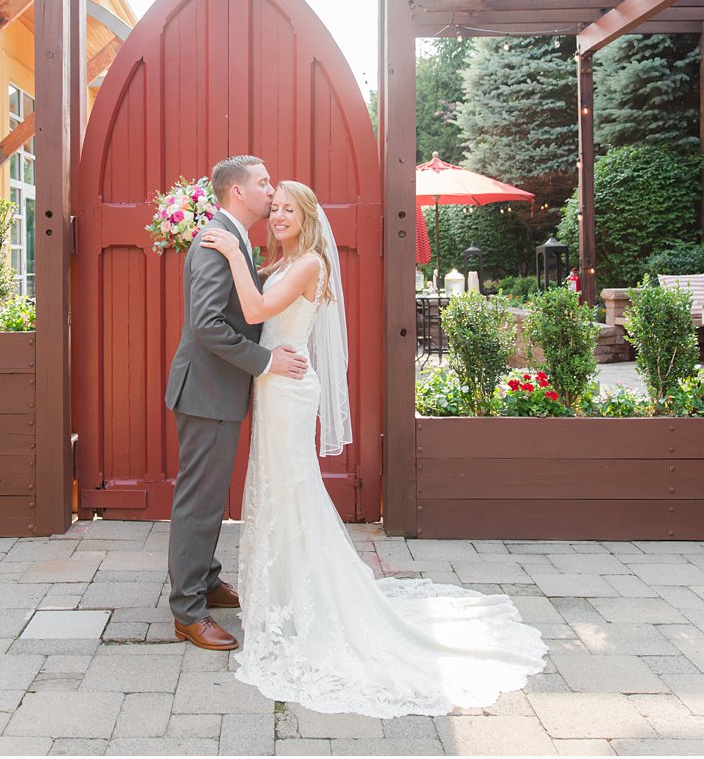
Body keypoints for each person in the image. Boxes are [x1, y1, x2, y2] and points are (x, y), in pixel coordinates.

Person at [197, 179, 549, 718]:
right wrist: (243, 256)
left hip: (289, 390)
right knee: (275, 487)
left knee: (291, 487)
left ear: (310, 216)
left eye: (291, 209)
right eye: (276, 209)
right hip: (274, 385)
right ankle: (286, 591)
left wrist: (230, 251)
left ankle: (309, 597)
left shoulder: (311, 263)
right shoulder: (281, 262)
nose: (280, 216)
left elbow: (256, 306)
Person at [164, 155, 309, 652]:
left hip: (216, 390)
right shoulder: (214, 243)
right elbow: (207, 325)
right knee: (199, 503)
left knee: (209, 497)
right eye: (264, 183)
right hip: (206, 391)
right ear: (237, 193)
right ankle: (188, 611)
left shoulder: (236, 239)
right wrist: (266, 361)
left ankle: (205, 580)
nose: (271, 191)